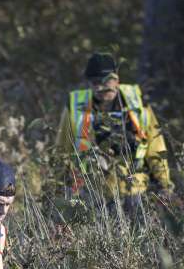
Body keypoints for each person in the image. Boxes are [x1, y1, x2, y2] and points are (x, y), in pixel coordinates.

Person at [56, 53, 173, 211]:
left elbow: (156, 147)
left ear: (117, 79)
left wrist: (164, 185)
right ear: (88, 83)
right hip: (93, 194)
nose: (102, 87)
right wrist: (58, 187)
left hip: (135, 191)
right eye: (96, 82)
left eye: (107, 80)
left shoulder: (137, 100)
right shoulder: (75, 104)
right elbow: (62, 150)